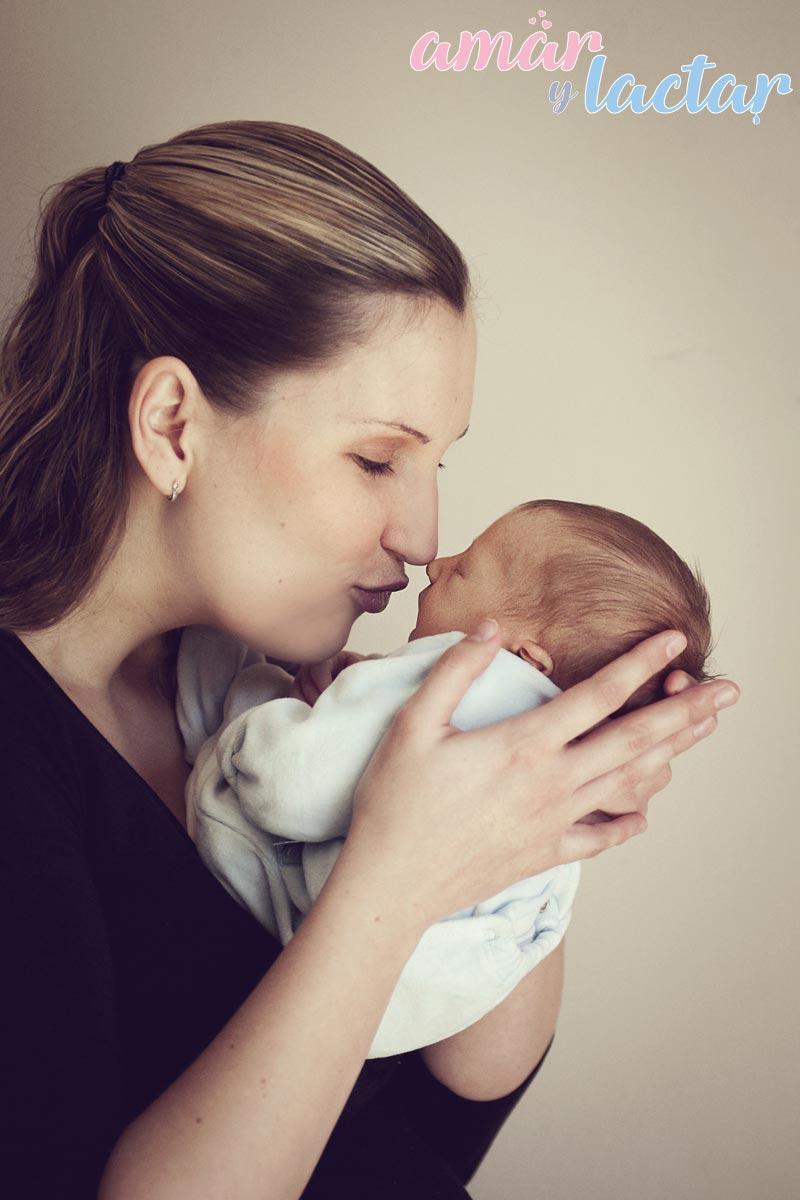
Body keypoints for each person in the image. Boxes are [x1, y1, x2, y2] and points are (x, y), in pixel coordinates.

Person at [0, 119, 740, 1200]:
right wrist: (396, 881)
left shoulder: (259, 692)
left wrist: (532, 815)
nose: (422, 536)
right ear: (170, 424)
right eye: (377, 457)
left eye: (436, 463)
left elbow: (459, 1097)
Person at [170, 494, 716, 1061]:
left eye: (463, 569)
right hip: (421, 1008)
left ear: (525, 660)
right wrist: (353, 705)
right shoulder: (561, 770)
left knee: (239, 706)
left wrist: (270, 727)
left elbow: (290, 786)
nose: (433, 562)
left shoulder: (467, 684)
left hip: (312, 947)